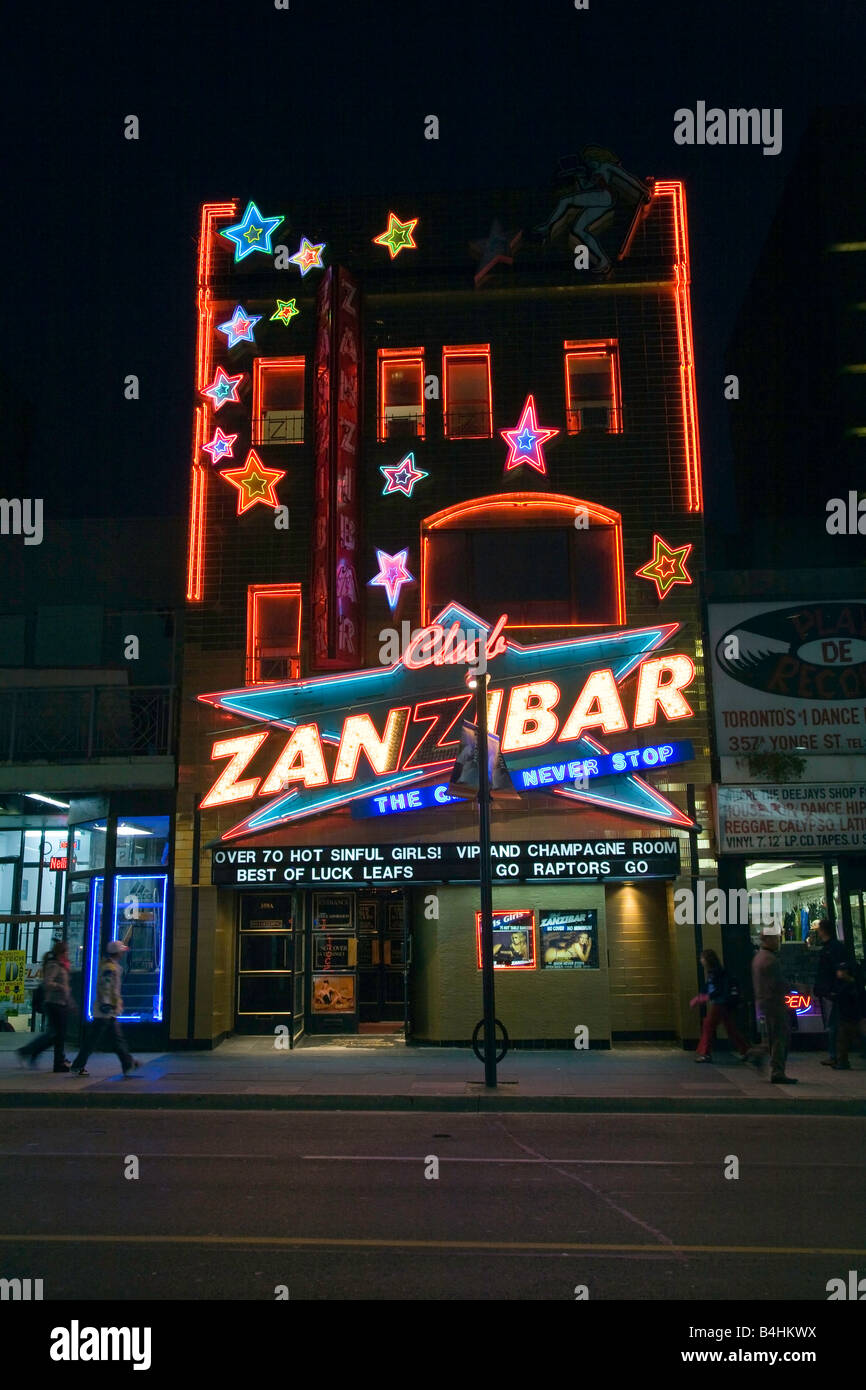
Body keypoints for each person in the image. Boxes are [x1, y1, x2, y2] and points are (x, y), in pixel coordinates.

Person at [71, 941, 139, 1078]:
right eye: (122, 951)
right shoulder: (110, 968)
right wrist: (108, 1004)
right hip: (105, 1012)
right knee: (101, 1040)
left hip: (107, 1011)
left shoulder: (109, 966)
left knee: (112, 1039)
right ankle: (127, 1063)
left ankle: (128, 1063)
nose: (123, 953)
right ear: (117, 953)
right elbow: (106, 988)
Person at [690, 949, 762, 1066]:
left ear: (707, 960)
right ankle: (746, 1050)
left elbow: (716, 989)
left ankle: (705, 1053)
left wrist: (702, 998)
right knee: (730, 1028)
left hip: (720, 1003)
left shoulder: (716, 973)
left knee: (708, 1025)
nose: (701, 960)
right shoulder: (716, 972)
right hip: (724, 1003)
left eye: (702, 958)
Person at [17, 941, 72, 1072]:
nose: (68, 953)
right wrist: (61, 987)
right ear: (61, 952)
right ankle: (31, 1052)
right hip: (54, 1003)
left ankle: (32, 1052)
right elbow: (48, 982)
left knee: (55, 1035)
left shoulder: (61, 965)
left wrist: (69, 1000)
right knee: (56, 1035)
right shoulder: (54, 965)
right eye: (66, 951)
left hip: (59, 1003)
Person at [751, 925, 797, 1084]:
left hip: (762, 1003)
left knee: (769, 1038)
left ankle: (757, 1053)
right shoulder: (770, 960)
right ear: (769, 939)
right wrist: (796, 989)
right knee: (779, 1038)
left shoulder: (758, 957)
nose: (779, 941)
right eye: (777, 938)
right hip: (774, 1004)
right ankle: (777, 1071)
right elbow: (779, 984)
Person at [813, 918, 848, 1067]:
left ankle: (836, 1056)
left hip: (832, 991)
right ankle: (836, 1055)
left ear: (822, 931)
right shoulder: (835, 947)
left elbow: (833, 971)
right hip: (833, 990)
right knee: (836, 1023)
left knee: (834, 1024)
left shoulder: (829, 949)